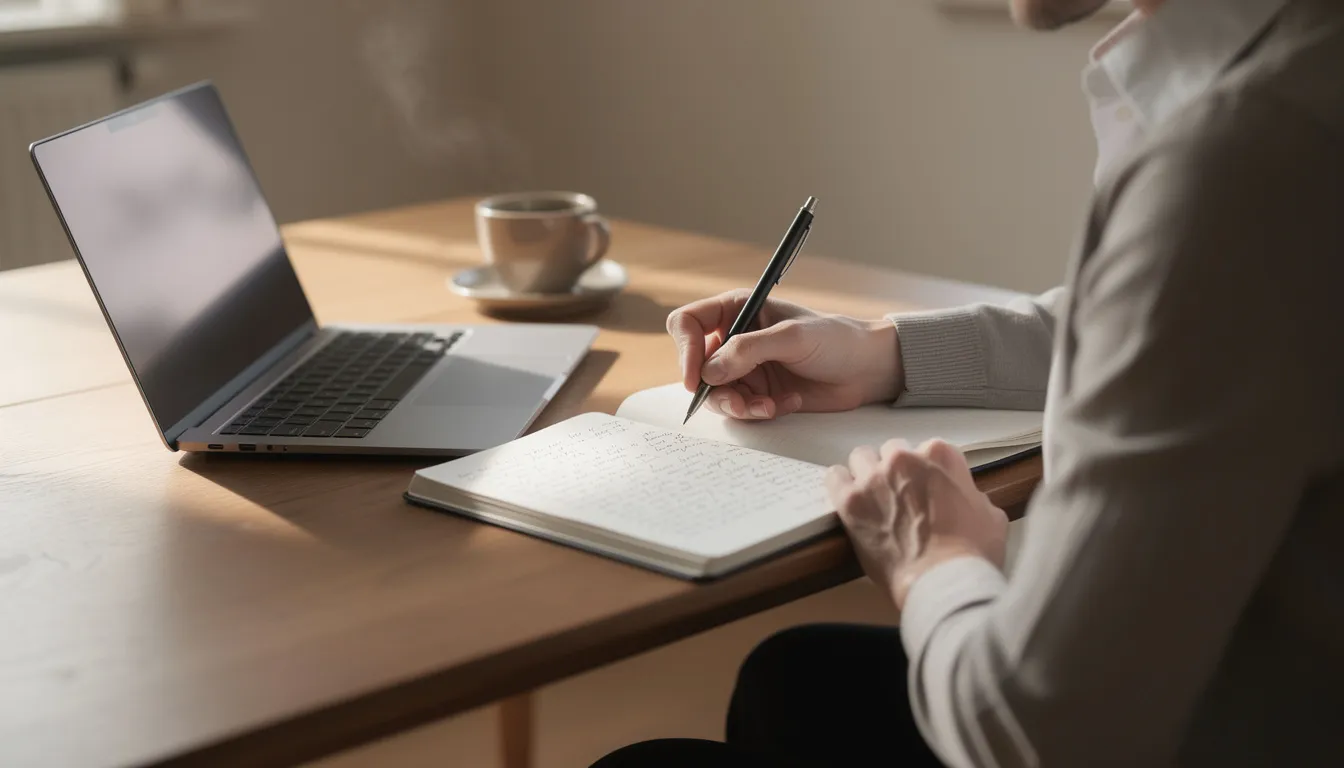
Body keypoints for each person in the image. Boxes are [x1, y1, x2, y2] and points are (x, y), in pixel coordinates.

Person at [592, 0, 1344, 765]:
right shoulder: (1298, 81)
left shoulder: (1248, 160)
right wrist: (883, 355)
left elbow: (1032, 732)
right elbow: (1187, 327)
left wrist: (933, 560)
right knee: (794, 681)